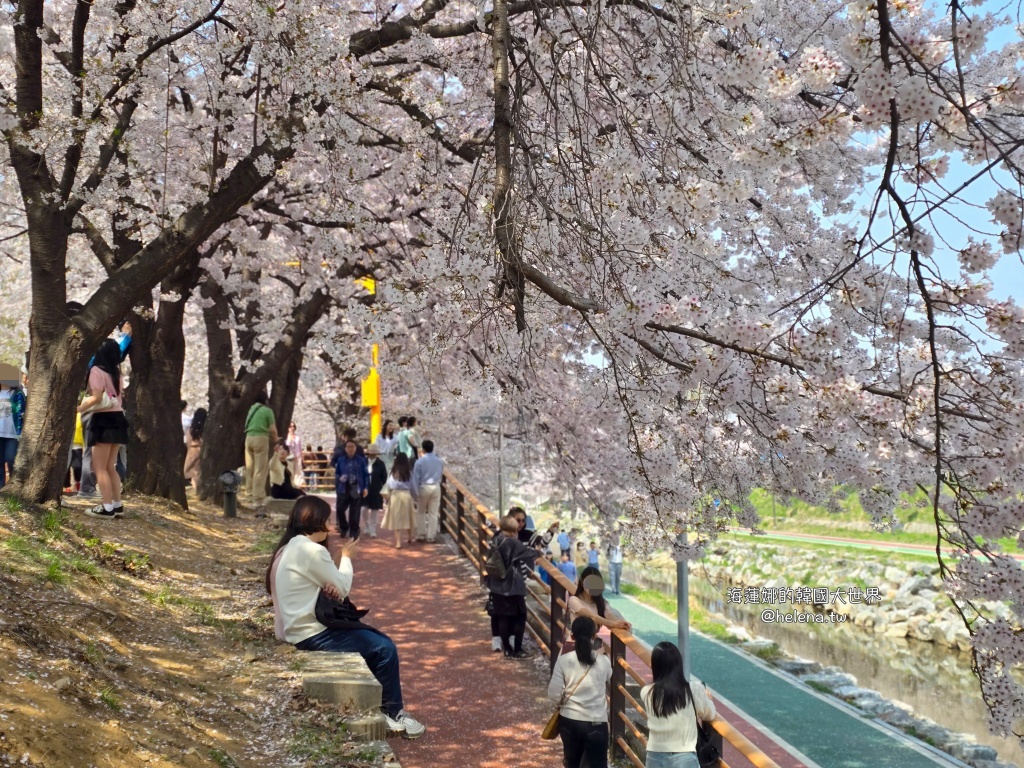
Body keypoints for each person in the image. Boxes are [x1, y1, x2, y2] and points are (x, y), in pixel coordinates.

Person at [266, 496, 426, 738]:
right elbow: (342, 588)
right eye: (326, 521)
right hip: (310, 634)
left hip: (293, 629)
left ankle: (384, 707)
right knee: (384, 648)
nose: (329, 527)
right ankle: (393, 713)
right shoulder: (311, 551)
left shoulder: (286, 548)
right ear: (314, 522)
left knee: (368, 637)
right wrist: (347, 557)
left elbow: (305, 586)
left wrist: (324, 587)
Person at [547, 616, 613, 768]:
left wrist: (563, 700)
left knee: (572, 763)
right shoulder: (603, 661)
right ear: (594, 636)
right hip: (596, 722)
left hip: (569, 720)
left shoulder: (564, 659)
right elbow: (609, 675)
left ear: (573, 636)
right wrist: (600, 654)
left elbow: (553, 694)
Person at [77, 321, 131, 500]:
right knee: (110, 467)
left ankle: (107, 507)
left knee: (99, 467)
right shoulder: (116, 373)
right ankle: (116, 505)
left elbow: (97, 397)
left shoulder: (96, 371)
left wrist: (77, 409)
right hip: (118, 419)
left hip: (103, 421)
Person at [642, 642, 717, 768]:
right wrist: (708, 698)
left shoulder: (647, 692)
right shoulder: (694, 689)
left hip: (655, 756)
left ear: (655, 665)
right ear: (678, 664)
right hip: (684, 757)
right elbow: (710, 715)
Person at [486, 515, 540, 658]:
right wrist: (539, 552)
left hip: (496, 584)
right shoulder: (513, 543)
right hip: (512, 587)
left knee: (503, 617)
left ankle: (507, 649)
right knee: (520, 616)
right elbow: (530, 553)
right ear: (513, 529)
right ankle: (517, 649)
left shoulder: (496, 539)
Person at [565, 568, 630, 646]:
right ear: (582, 582)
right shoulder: (574, 600)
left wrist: (621, 624)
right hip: (575, 644)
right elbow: (592, 616)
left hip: (592, 644)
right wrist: (613, 624)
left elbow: (608, 614)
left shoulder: (602, 603)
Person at [243, 391, 277, 511]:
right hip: (261, 438)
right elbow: (272, 429)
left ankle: (249, 495)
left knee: (249, 468)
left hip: (248, 438)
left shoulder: (250, 409)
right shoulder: (267, 411)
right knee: (260, 469)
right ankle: (258, 498)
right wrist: (276, 439)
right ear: (265, 400)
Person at [332, 439, 368, 539]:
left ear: (355, 448)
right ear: (345, 448)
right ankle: (344, 527)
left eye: (352, 446)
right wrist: (339, 478)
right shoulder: (341, 460)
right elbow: (337, 473)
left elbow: (365, 475)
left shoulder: (361, 460)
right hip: (344, 487)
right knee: (340, 509)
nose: (350, 449)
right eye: (348, 447)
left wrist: (365, 487)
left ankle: (354, 530)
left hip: (356, 486)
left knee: (355, 511)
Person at [411, 439, 443, 543]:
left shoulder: (419, 461)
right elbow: (441, 474)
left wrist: (414, 493)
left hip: (424, 486)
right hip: (436, 486)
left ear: (423, 450)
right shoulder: (439, 461)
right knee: (433, 513)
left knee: (420, 511)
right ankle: (431, 536)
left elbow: (415, 478)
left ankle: (421, 534)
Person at [380, 453, 416, 549]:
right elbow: (413, 486)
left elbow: (389, 484)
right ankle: (410, 536)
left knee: (396, 519)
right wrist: (415, 496)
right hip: (406, 494)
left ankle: (398, 542)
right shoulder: (409, 472)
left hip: (395, 495)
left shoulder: (393, 471)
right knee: (407, 517)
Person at [0, 378, 26, 489]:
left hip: (13, 434)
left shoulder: (18, 394)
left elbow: (23, 412)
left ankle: (12, 485)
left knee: (11, 459)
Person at [363, 444, 388, 538]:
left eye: (374, 453)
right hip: (364, 489)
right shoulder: (363, 462)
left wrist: (379, 484)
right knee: (363, 509)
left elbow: (384, 477)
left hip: (376, 489)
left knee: (374, 510)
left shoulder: (380, 463)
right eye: (371, 453)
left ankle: (373, 530)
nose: (372, 455)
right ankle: (367, 525)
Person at [183, 407, 206, 490]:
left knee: (193, 474)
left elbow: (188, 442)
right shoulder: (206, 429)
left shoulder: (190, 430)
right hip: (202, 452)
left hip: (192, 452)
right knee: (199, 473)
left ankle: (196, 489)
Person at [286, 423, 304, 487]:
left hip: (297, 456)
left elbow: (300, 447)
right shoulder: (286, 436)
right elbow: (287, 444)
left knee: (298, 472)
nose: (292, 428)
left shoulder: (297, 437)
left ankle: (297, 485)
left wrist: (301, 458)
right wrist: (290, 437)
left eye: (293, 426)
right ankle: (290, 485)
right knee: (290, 471)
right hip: (289, 456)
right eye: (290, 426)